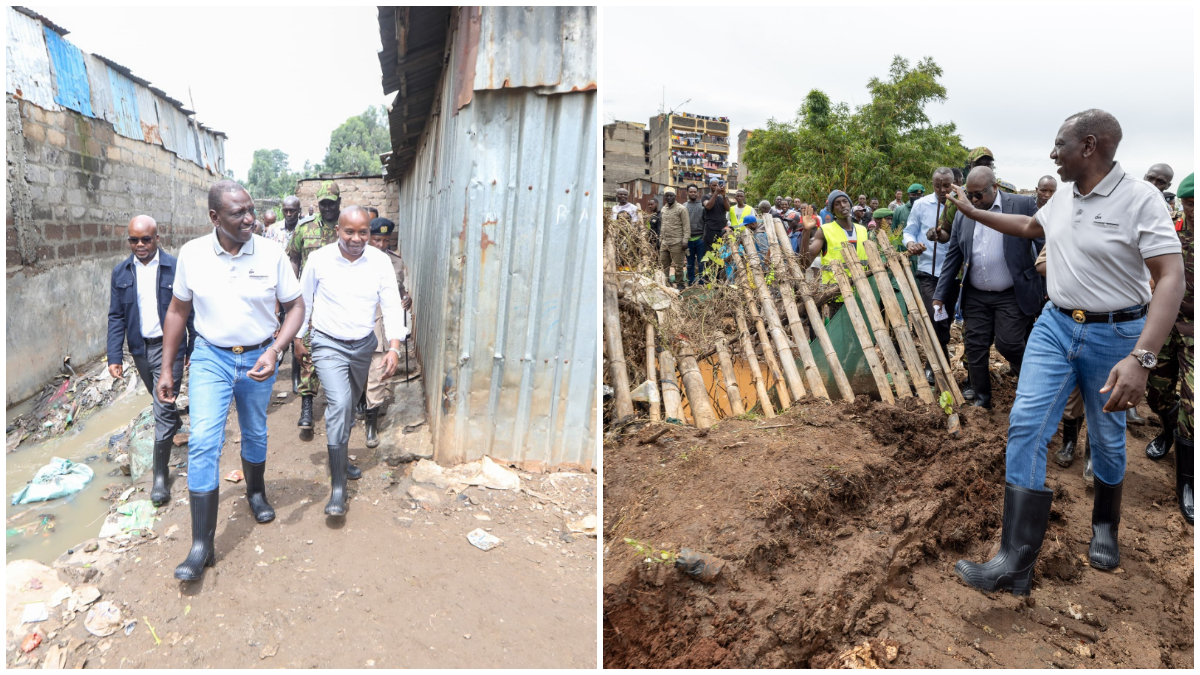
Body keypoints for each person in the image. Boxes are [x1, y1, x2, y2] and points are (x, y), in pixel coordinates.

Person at [953, 109, 1184, 595]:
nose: (1052, 153)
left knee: (1107, 438)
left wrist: (1142, 357)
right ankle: (1014, 560)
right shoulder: (1061, 198)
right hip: (1055, 326)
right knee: (1026, 424)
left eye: (1059, 144)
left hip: (1117, 337)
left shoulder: (1140, 200)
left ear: (1089, 146)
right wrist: (973, 213)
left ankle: (1104, 524)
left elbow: (1171, 279)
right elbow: (1027, 228)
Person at [157, 180, 305, 581]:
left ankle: (255, 493)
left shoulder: (272, 253)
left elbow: (295, 308)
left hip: (260, 355)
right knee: (205, 439)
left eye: (251, 210)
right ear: (214, 217)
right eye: (238, 213)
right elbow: (176, 311)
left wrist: (276, 350)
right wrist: (168, 368)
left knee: (255, 431)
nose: (249, 219)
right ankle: (201, 544)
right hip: (211, 357)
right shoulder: (193, 255)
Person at [299, 207, 405, 516]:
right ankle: (338, 489)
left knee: (348, 407)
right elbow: (304, 299)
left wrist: (394, 346)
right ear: (338, 232)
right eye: (350, 232)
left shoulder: (380, 261)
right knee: (341, 402)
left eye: (363, 233)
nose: (357, 239)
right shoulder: (319, 260)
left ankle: (341, 459)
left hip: (363, 345)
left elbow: (391, 303)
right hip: (326, 342)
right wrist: (296, 338)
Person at [933, 167, 1041, 408]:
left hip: (1011, 293)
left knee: (1009, 343)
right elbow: (954, 255)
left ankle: (1037, 382)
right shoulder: (964, 212)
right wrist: (940, 294)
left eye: (978, 194)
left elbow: (1044, 244)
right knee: (975, 346)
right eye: (969, 194)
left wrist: (1046, 284)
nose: (973, 200)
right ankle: (982, 399)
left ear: (995, 187)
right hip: (976, 295)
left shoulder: (1022, 205)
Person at [107, 215, 195, 506]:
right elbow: (116, 316)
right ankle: (173, 425)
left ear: (158, 238)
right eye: (134, 240)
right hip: (140, 350)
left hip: (169, 348)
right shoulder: (121, 273)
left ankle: (160, 476)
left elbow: (188, 310)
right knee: (162, 402)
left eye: (146, 239)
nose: (140, 245)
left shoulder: (175, 267)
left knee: (162, 406)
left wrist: (193, 344)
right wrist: (114, 356)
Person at [1144, 172, 1193, 523]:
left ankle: (1188, 482)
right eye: (1189, 203)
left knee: (1194, 406)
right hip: (1165, 327)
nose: (1193, 209)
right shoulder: (1172, 234)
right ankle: (1166, 431)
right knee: (1156, 394)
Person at [287, 181, 341, 437]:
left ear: (339, 202)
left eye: (332, 202)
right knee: (307, 350)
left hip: (340, 300)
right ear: (318, 205)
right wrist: (291, 294)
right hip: (310, 300)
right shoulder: (304, 229)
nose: (328, 207)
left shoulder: (347, 229)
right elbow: (294, 258)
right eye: (323, 204)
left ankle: (345, 403)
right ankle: (307, 406)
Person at [363, 217, 414, 448]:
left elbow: (399, 289)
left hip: (384, 326)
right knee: (358, 373)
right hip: (361, 323)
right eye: (377, 240)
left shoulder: (395, 261)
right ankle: (358, 403)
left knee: (378, 373)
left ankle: (371, 423)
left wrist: (406, 297)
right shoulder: (357, 259)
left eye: (386, 240)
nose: (381, 245)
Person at [903, 169, 958, 378]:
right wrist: (911, 243)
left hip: (954, 272)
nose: (943, 190)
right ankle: (935, 365)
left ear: (954, 183)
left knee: (946, 318)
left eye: (946, 186)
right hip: (929, 270)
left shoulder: (960, 205)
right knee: (935, 315)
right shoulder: (921, 205)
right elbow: (909, 230)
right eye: (938, 186)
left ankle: (937, 361)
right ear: (932, 185)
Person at [798, 190, 869, 307]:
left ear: (850, 205)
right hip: (836, 297)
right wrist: (806, 231)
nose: (842, 205)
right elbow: (805, 263)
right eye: (837, 203)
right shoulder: (825, 231)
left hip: (862, 294)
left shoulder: (862, 230)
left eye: (845, 201)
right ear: (832, 210)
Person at [657, 187, 690, 290]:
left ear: (675, 197)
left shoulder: (682, 209)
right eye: (667, 196)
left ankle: (680, 284)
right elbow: (662, 225)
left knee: (679, 266)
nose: (669, 198)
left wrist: (685, 240)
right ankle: (666, 282)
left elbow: (686, 226)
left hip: (677, 242)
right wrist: (660, 239)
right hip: (664, 242)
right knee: (664, 264)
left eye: (671, 196)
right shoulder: (663, 209)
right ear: (665, 197)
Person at [701, 178, 729, 279]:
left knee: (720, 254)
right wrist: (716, 194)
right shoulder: (705, 197)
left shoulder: (722, 197)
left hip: (722, 230)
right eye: (714, 185)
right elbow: (708, 206)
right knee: (709, 254)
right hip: (710, 230)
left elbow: (728, 208)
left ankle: (718, 278)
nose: (716, 187)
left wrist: (724, 195)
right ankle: (707, 278)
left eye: (718, 185)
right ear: (710, 186)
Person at [684, 184, 705, 285]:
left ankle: (702, 282)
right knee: (689, 263)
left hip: (700, 239)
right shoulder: (683, 206)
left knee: (701, 262)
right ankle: (691, 281)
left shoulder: (702, 205)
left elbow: (706, 221)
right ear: (687, 193)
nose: (693, 193)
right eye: (691, 192)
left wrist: (704, 236)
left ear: (698, 193)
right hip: (688, 239)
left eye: (694, 192)